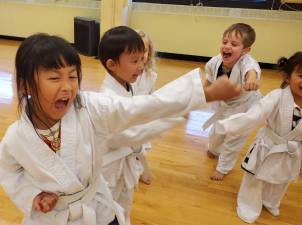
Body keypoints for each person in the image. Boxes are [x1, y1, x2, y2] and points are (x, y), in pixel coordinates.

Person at [0, 32, 241, 225]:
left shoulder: (89, 108)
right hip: (53, 217)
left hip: (96, 207)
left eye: (73, 77)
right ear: (25, 85)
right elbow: (9, 171)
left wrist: (204, 94)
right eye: (54, 78)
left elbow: (140, 107)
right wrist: (33, 194)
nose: (67, 87)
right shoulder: (16, 137)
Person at [99, 26, 185, 225]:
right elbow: (127, 134)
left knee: (125, 201)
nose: (140, 65)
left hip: (128, 159)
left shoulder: (126, 85)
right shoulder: (107, 98)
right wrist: (170, 116)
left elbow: (147, 104)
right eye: (135, 60)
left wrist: (173, 108)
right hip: (110, 168)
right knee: (107, 207)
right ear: (112, 64)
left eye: (142, 58)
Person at [214, 52, 302, 223]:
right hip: (267, 147)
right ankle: (248, 204)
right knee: (255, 179)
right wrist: (228, 125)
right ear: (287, 76)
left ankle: (270, 201)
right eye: (301, 76)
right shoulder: (277, 96)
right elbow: (254, 115)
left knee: (281, 180)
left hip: (291, 152)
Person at [203, 23, 262, 180]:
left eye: (234, 44)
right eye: (225, 42)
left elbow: (252, 72)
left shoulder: (247, 63)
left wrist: (251, 81)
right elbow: (208, 82)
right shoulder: (214, 62)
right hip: (222, 103)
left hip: (244, 106)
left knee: (234, 139)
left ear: (245, 50)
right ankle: (214, 149)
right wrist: (202, 95)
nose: (227, 46)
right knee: (216, 132)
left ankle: (223, 168)